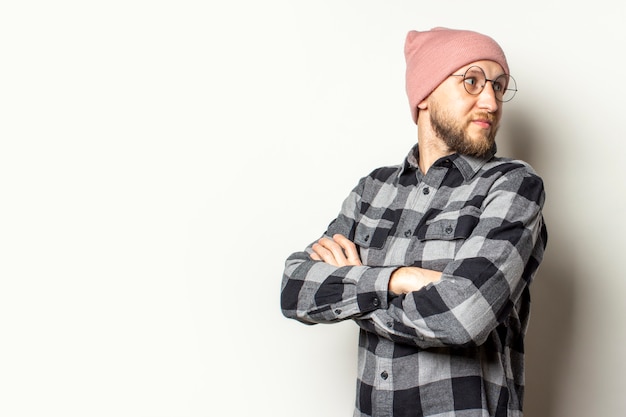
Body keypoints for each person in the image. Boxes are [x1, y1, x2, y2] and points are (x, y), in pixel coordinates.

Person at [280, 27, 547, 417]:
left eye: (498, 86)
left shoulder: (512, 186)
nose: (491, 101)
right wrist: (400, 278)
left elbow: (465, 317)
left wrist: (356, 285)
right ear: (424, 94)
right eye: (472, 81)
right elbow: (294, 289)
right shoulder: (373, 190)